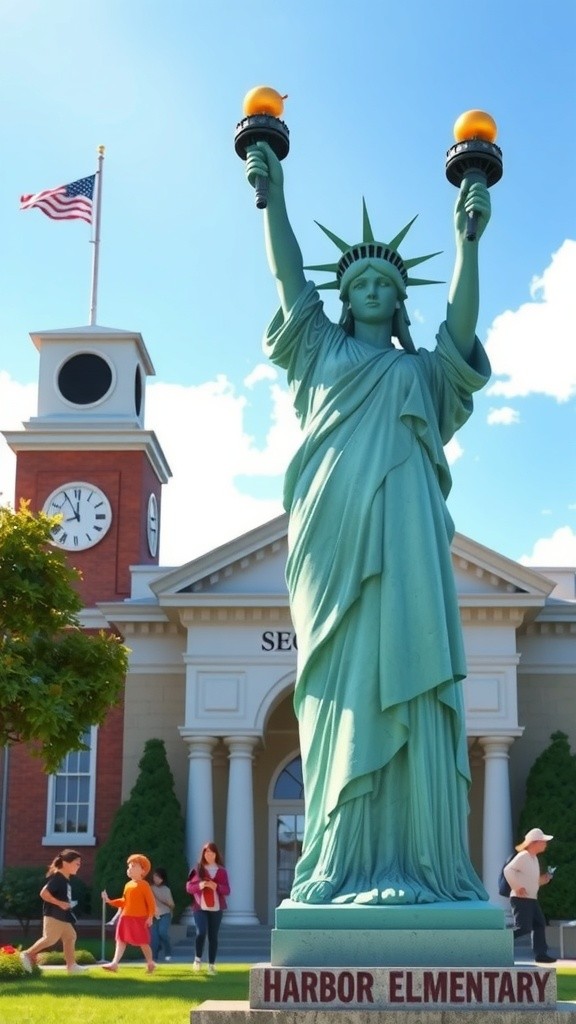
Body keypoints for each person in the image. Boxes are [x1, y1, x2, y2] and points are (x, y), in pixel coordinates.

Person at [244, 139, 493, 906]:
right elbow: (290, 277)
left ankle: (419, 869)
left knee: (413, 685)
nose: (377, 289)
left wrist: (467, 242)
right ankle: (342, 864)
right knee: (339, 692)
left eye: (388, 281)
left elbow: (458, 334)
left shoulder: (419, 372)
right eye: (363, 282)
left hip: (411, 540)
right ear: (346, 298)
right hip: (330, 540)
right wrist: (273, 197)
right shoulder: (317, 352)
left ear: (398, 298)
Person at [20, 848, 82, 974]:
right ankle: (27, 954)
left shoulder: (64, 880)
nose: (78, 866)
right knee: (50, 939)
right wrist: (60, 903)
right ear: (66, 863)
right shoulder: (58, 879)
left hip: (63, 916)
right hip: (54, 915)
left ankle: (72, 966)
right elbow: (43, 893)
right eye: (77, 863)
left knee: (70, 936)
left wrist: (66, 904)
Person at [503, 827, 556, 963]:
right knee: (523, 928)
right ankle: (499, 942)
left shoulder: (533, 859)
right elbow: (508, 870)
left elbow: (532, 881)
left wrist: (543, 879)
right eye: (543, 841)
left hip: (531, 899)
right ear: (534, 843)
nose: (545, 844)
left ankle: (540, 954)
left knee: (539, 924)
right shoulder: (523, 856)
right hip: (520, 899)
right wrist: (517, 887)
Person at [101, 853, 156, 973]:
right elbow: (124, 901)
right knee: (120, 940)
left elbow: (151, 903)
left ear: (143, 870)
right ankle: (114, 963)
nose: (130, 869)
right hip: (125, 917)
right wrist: (110, 901)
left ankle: (150, 962)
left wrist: (150, 916)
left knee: (143, 942)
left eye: (133, 866)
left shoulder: (144, 885)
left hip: (139, 919)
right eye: (129, 866)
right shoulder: (128, 885)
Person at [186, 842, 230, 974]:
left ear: (216, 854)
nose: (209, 854)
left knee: (213, 936)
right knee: (201, 932)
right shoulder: (198, 869)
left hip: (216, 908)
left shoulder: (222, 871)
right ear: (203, 854)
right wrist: (201, 885)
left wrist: (216, 887)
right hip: (200, 907)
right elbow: (189, 887)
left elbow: (227, 890)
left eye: (211, 852)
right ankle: (197, 959)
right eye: (206, 852)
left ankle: (211, 965)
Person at [150, 866, 175, 962]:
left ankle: (168, 952)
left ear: (163, 878)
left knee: (163, 933)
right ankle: (154, 957)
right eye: (155, 876)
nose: (156, 879)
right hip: (153, 915)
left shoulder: (166, 889)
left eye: (159, 877)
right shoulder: (150, 888)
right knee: (154, 937)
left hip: (165, 914)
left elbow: (171, 904)